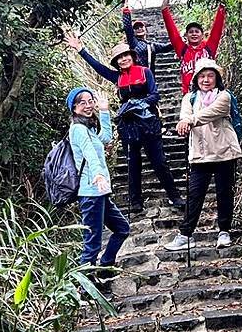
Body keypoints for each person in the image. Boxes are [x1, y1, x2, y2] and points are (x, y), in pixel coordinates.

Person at [65, 35, 185, 213]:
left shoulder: (145, 72)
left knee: (159, 161)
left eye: (126, 55)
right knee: (133, 163)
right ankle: (135, 202)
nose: (123, 59)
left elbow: (154, 95)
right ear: (116, 62)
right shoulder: (117, 77)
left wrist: (136, 104)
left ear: (132, 56)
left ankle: (174, 196)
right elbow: (98, 68)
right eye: (119, 58)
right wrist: (81, 49)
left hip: (148, 122)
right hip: (128, 125)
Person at [164, 59, 242, 251]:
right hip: (200, 154)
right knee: (194, 195)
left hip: (225, 152)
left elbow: (211, 113)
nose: (206, 80)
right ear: (196, 79)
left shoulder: (224, 96)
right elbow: (185, 116)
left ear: (217, 78)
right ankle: (185, 234)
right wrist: (184, 122)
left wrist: (189, 120)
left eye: (210, 76)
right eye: (202, 76)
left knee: (225, 194)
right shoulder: (189, 98)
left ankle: (224, 231)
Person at [67, 87, 130, 272]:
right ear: (74, 108)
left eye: (90, 101)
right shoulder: (78, 129)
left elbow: (105, 138)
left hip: (99, 192)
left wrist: (104, 112)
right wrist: (98, 174)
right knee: (92, 243)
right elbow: (89, 153)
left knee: (122, 229)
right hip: (91, 192)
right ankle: (86, 287)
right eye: (82, 103)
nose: (88, 106)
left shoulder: (88, 128)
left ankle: (105, 267)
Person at [161, 0, 226, 94]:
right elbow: (172, 31)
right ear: (186, 35)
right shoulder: (182, 49)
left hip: (209, 93)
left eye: (197, 31)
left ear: (202, 35)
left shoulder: (209, 47)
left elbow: (217, 29)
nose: (194, 34)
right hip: (189, 94)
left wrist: (222, 7)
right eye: (191, 32)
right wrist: (165, 9)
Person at [122, 0, 173, 76]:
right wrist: (126, 9)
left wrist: (180, 40)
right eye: (136, 28)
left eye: (141, 27)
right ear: (133, 32)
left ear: (146, 29)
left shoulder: (151, 45)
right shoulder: (133, 42)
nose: (139, 29)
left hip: (149, 79)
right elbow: (127, 27)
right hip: (136, 77)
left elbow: (167, 47)